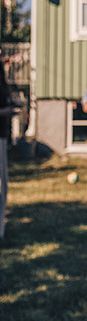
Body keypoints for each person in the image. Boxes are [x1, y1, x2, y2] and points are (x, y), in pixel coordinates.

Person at [0, 57, 17, 239]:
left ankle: (1, 230)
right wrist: (6, 112)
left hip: (2, 136)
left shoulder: (2, 81)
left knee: (3, 186)